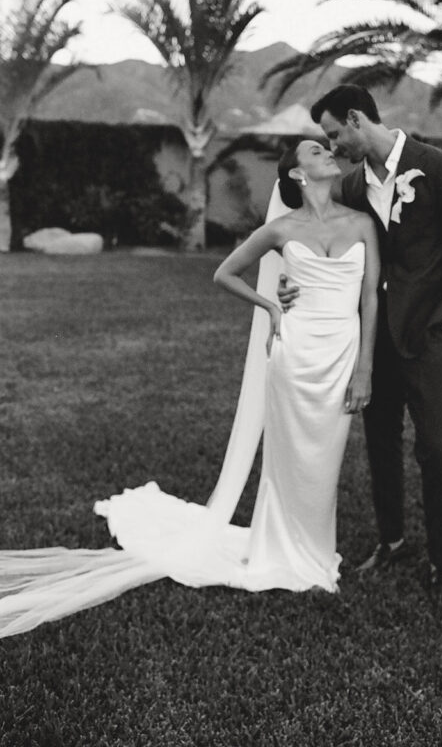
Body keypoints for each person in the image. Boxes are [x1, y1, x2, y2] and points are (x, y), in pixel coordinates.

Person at [0, 139, 379, 637]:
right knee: (287, 462)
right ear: (297, 174)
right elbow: (224, 273)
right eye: (314, 151)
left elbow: (370, 298)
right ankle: (279, 552)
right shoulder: (281, 229)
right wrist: (270, 305)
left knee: (323, 461)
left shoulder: (362, 223)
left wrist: (365, 368)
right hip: (295, 354)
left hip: (341, 354)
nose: (327, 151)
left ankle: (313, 550)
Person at [278, 85, 442, 606]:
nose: (333, 146)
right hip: (372, 338)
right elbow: (325, 240)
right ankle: (391, 540)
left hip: (428, 335)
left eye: (334, 134)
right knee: (380, 442)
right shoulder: (352, 187)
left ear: (356, 119)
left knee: (435, 448)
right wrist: (291, 283)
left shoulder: (437, 167)